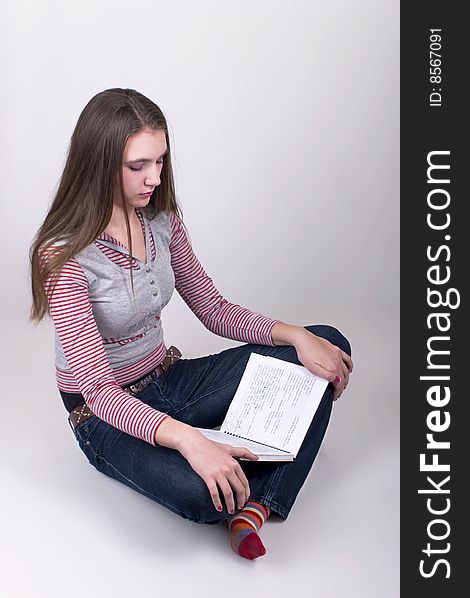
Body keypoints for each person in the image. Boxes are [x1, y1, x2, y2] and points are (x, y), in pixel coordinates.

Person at [29, 87, 353, 560]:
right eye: (137, 166)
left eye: (159, 162)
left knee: (326, 345)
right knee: (204, 497)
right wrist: (191, 441)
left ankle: (256, 504)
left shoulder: (161, 219)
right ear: (98, 164)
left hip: (172, 380)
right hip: (102, 418)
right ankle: (244, 461)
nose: (154, 178)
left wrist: (295, 336)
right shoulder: (62, 256)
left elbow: (213, 309)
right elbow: (98, 392)